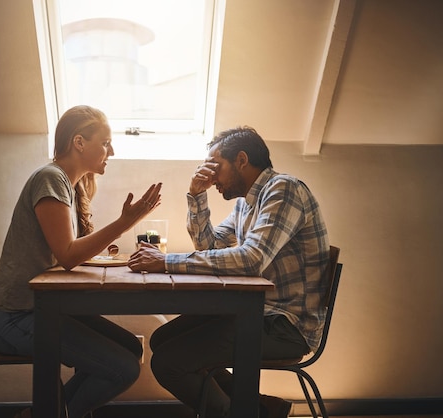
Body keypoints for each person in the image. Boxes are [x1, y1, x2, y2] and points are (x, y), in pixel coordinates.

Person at [128, 126, 329, 418]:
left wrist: (166, 261)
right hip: (258, 311)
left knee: (168, 362)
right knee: (162, 341)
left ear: (242, 160)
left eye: (215, 166)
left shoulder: (284, 190)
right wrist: (196, 196)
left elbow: (250, 260)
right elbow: (208, 245)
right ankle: (258, 408)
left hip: (287, 324)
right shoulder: (245, 204)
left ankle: (240, 413)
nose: (211, 177)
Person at [0, 105, 162, 418]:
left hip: (38, 309)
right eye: (105, 142)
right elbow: (67, 255)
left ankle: (45, 413)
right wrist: (126, 221)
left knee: (131, 350)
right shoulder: (51, 179)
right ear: (79, 142)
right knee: (123, 369)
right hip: (11, 316)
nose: (111, 151)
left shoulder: (69, 185)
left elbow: (68, 252)